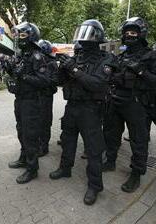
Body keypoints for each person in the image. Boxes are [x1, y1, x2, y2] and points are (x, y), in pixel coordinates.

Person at [49, 20, 114, 205]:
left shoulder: (106, 59)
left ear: (98, 36)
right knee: (67, 139)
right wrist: (61, 69)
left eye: (89, 34)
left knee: (93, 149)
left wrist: (73, 69)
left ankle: (95, 185)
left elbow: (97, 84)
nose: (84, 39)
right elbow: (59, 81)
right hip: (72, 107)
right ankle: (65, 168)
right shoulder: (77, 57)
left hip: (91, 109)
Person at [103, 17, 156, 193]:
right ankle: (110, 161)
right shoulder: (121, 55)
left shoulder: (151, 56)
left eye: (133, 32)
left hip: (137, 104)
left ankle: (136, 173)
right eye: (127, 32)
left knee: (138, 140)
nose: (129, 35)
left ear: (141, 34)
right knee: (111, 134)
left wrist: (141, 71)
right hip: (116, 100)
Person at [6, 22, 57, 184]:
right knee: (20, 130)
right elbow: (17, 75)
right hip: (20, 99)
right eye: (18, 35)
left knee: (30, 135)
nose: (19, 38)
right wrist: (10, 71)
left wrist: (24, 77)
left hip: (31, 102)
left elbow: (45, 80)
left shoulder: (37, 56)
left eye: (22, 35)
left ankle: (32, 168)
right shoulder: (23, 55)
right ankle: (23, 158)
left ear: (31, 36)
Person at [36, 40, 58, 157]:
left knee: (44, 122)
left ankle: (44, 146)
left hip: (46, 96)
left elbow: (54, 81)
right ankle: (38, 144)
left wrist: (42, 81)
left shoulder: (51, 64)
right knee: (37, 121)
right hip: (37, 96)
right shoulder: (38, 62)